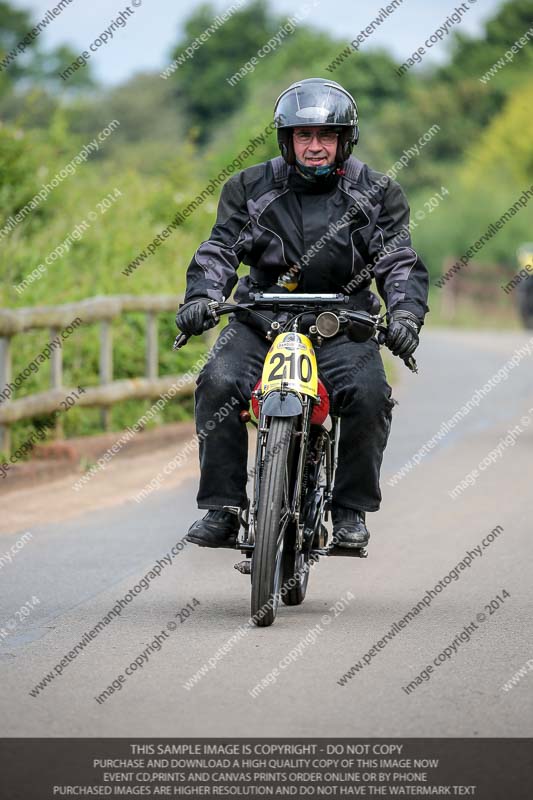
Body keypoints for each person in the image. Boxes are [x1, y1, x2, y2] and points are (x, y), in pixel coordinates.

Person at [176, 78, 429, 550]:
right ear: (286, 140)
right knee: (217, 382)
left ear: (345, 140)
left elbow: (399, 262)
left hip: (342, 324)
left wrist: (406, 317)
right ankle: (223, 507)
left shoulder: (379, 192)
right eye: (303, 136)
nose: (315, 147)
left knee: (370, 394)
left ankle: (349, 511)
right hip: (260, 319)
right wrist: (201, 297)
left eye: (327, 136)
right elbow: (219, 249)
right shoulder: (248, 186)